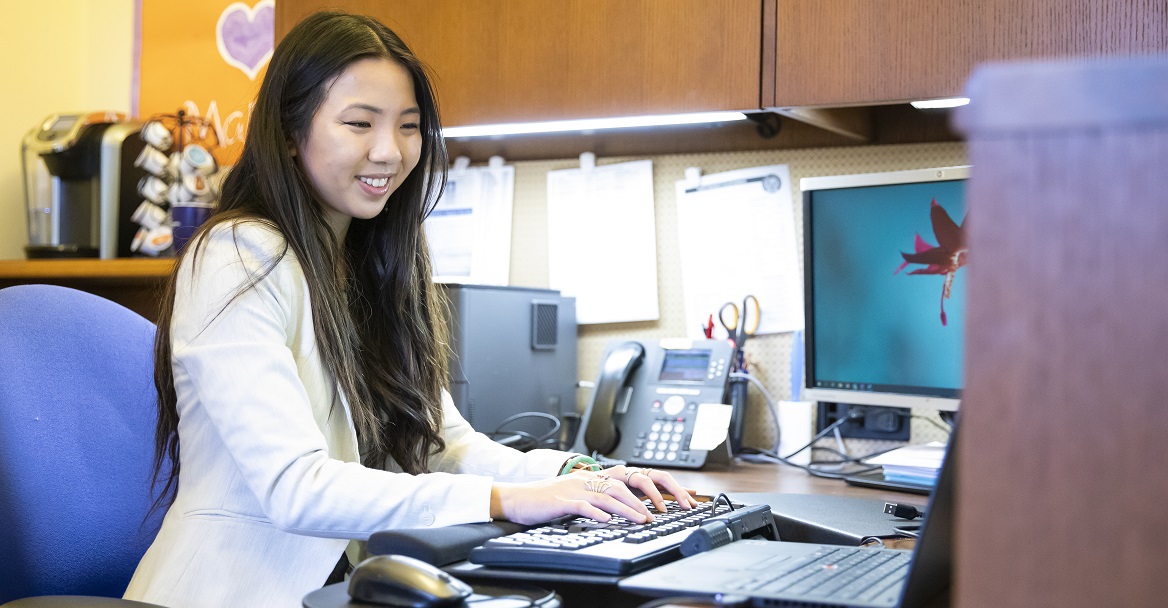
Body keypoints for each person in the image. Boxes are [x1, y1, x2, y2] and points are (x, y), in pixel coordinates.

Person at [123, 10, 697, 608]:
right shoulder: (239, 255)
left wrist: (574, 476)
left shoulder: (373, 265)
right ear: (290, 135)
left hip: (352, 588)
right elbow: (295, 488)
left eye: (408, 126)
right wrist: (506, 501)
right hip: (237, 592)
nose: (389, 152)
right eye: (358, 123)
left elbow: (441, 446)